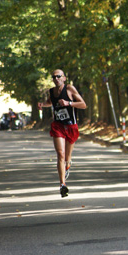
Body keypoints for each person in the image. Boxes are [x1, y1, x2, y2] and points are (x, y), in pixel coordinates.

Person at [38, 69, 87, 198]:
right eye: (54, 77)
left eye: (58, 76)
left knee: (66, 158)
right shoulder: (52, 92)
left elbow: (83, 104)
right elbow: (51, 102)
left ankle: (68, 164)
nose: (56, 79)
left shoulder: (70, 89)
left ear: (64, 78)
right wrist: (42, 105)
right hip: (58, 125)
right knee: (60, 154)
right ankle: (62, 185)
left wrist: (69, 103)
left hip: (71, 126)